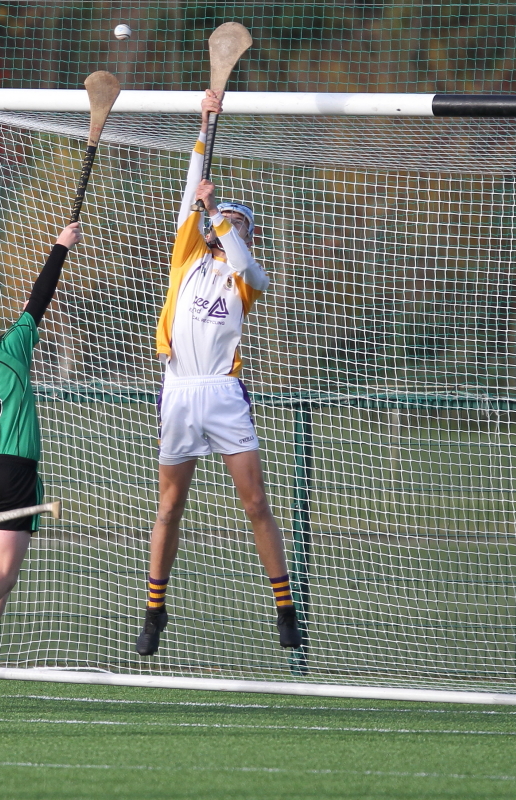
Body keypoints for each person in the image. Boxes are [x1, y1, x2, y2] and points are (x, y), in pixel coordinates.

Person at [137, 89, 300, 657]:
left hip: (225, 394)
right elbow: (192, 186)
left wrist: (218, 214)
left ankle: (284, 609)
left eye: (237, 221)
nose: (224, 223)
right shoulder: (187, 257)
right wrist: (205, 124)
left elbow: (246, 259)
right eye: (221, 217)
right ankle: (155, 609)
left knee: (255, 503)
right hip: (179, 391)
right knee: (170, 506)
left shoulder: (246, 278)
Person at [0, 221, 81, 706]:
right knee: (3, 570)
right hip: (14, 468)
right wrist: (61, 247)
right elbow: (38, 298)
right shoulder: (12, 349)